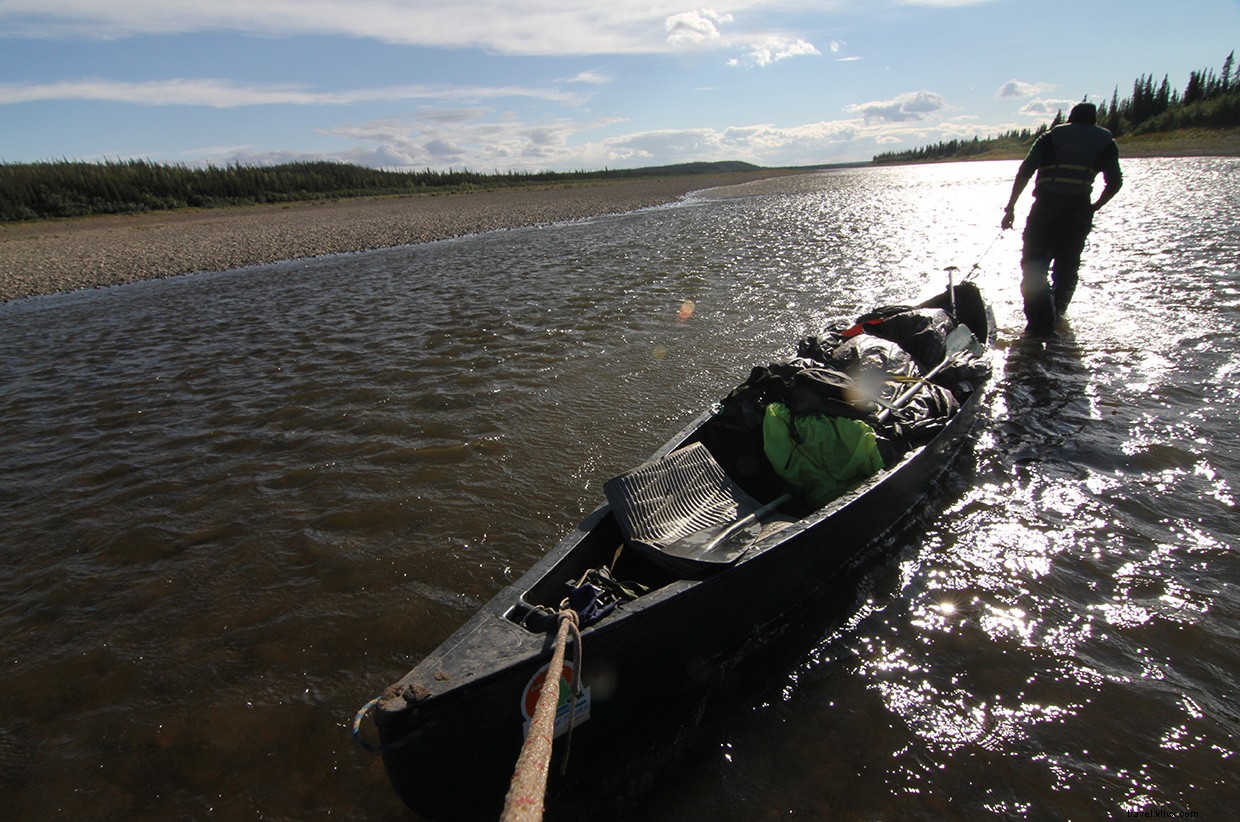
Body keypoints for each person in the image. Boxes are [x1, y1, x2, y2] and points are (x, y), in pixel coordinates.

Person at [1001, 102, 1123, 335]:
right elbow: (1115, 183)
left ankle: (1038, 322)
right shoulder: (1106, 144)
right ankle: (1056, 318)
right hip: (1078, 215)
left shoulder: (1048, 139)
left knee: (1033, 267)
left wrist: (1011, 208)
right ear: (1093, 121)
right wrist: (1094, 207)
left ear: (1069, 119)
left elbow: (1025, 171)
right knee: (1066, 270)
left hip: (1044, 212)